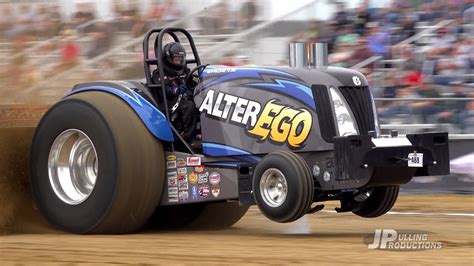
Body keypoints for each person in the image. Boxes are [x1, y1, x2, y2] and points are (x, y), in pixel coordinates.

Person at [153, 42, 198, 142]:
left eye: (180, 59)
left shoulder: (184, 71)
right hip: (167, 104)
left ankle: (203, 133)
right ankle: (188, 137)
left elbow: (192, 84)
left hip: (184, 98)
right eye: (176, 59)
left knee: (201, 102)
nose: (178, 62)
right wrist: (176, 90)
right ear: (168, 59)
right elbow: (164, 90)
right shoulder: (159, 73)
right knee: (189, 106)